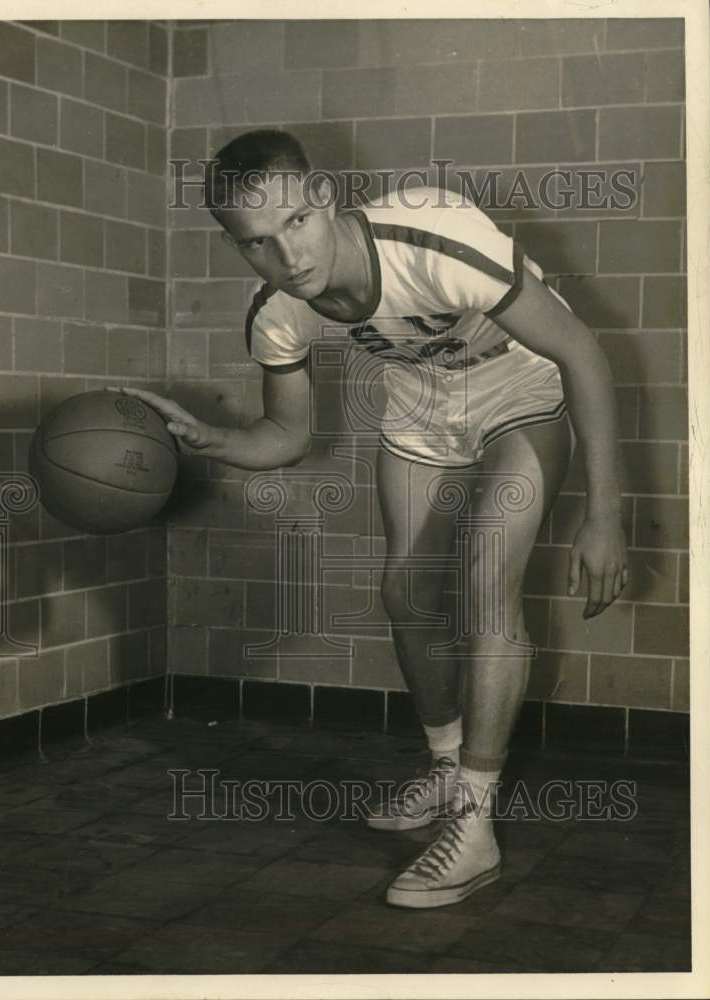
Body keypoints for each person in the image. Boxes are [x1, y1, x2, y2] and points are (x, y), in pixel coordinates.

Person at [121, 129, 629, 909]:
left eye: (295, 223)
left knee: (487, 579)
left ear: (324, 199)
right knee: (404, 594)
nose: (286, 257)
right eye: (257, 243)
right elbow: (287, 435)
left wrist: (606, 514)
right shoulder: (277, 311)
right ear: (237, 247)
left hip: (523, 389)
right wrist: (210, 438)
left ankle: (475, 826)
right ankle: (442, 768)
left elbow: (582, 354)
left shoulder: (433, 237)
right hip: (422, 407)